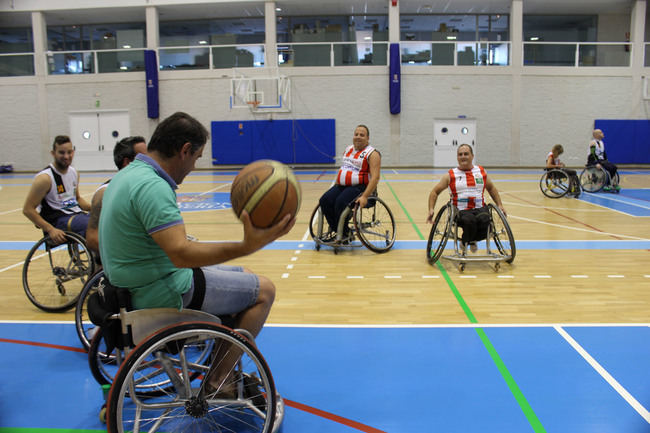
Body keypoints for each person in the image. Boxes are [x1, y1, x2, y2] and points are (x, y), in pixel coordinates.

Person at [98, 112, 294, 395]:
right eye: (197, 157)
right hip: (163, 291)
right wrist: (247, 246)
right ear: (184, 149)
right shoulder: (153, 186)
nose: (193, 166)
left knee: (247, 277)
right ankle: (218, 381)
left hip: (131, 288)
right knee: (265, 290)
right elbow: (181, 254)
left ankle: (223, 359)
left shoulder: (126, 176)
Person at [426, 143, 506, 254]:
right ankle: (465, 242)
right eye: (460, 154)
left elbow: (491, 188)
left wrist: (500, 205)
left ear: (472, 156)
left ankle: (471, 239)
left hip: (479, 208)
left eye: (466, 154)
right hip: (460, 211)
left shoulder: (481, 172)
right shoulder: (450, 175)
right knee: (470, 221)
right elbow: (434, 192)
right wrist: (431, 209)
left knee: (486, 221)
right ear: (457, 157)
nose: (463, 156)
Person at [23, 135, 90, 244]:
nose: (66, 156)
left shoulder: (74, 173)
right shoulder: (45, 179)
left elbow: (77, 199)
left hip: (76, 215)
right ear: (53, 153)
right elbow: (27, 209)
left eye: (69, 152)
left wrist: (97, 208)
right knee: (92, 224)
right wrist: (50, 229)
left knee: (104, 219)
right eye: (61, 153)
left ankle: (100, 258)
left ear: (73, 152)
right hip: (58, 221)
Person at [318, 124, 381, 242]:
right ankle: (340, 231)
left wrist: (365, 196)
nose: (358, 137)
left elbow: (375, 178)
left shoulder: (373, 154)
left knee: (340, 202)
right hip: (343, 186)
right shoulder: (348, 149)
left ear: (368, 138)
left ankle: (343, 233)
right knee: (324, 200)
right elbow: (345, 168)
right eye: (356, 134)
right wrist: (337, 183)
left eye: (362, 135)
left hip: (361, 188)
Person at [85, 136, 147, 254]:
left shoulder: (143, 188)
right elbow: (92, 239)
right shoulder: (105, 193)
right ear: (127, 162)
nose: (151, 161)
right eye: (144, 158)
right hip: (124, 260)